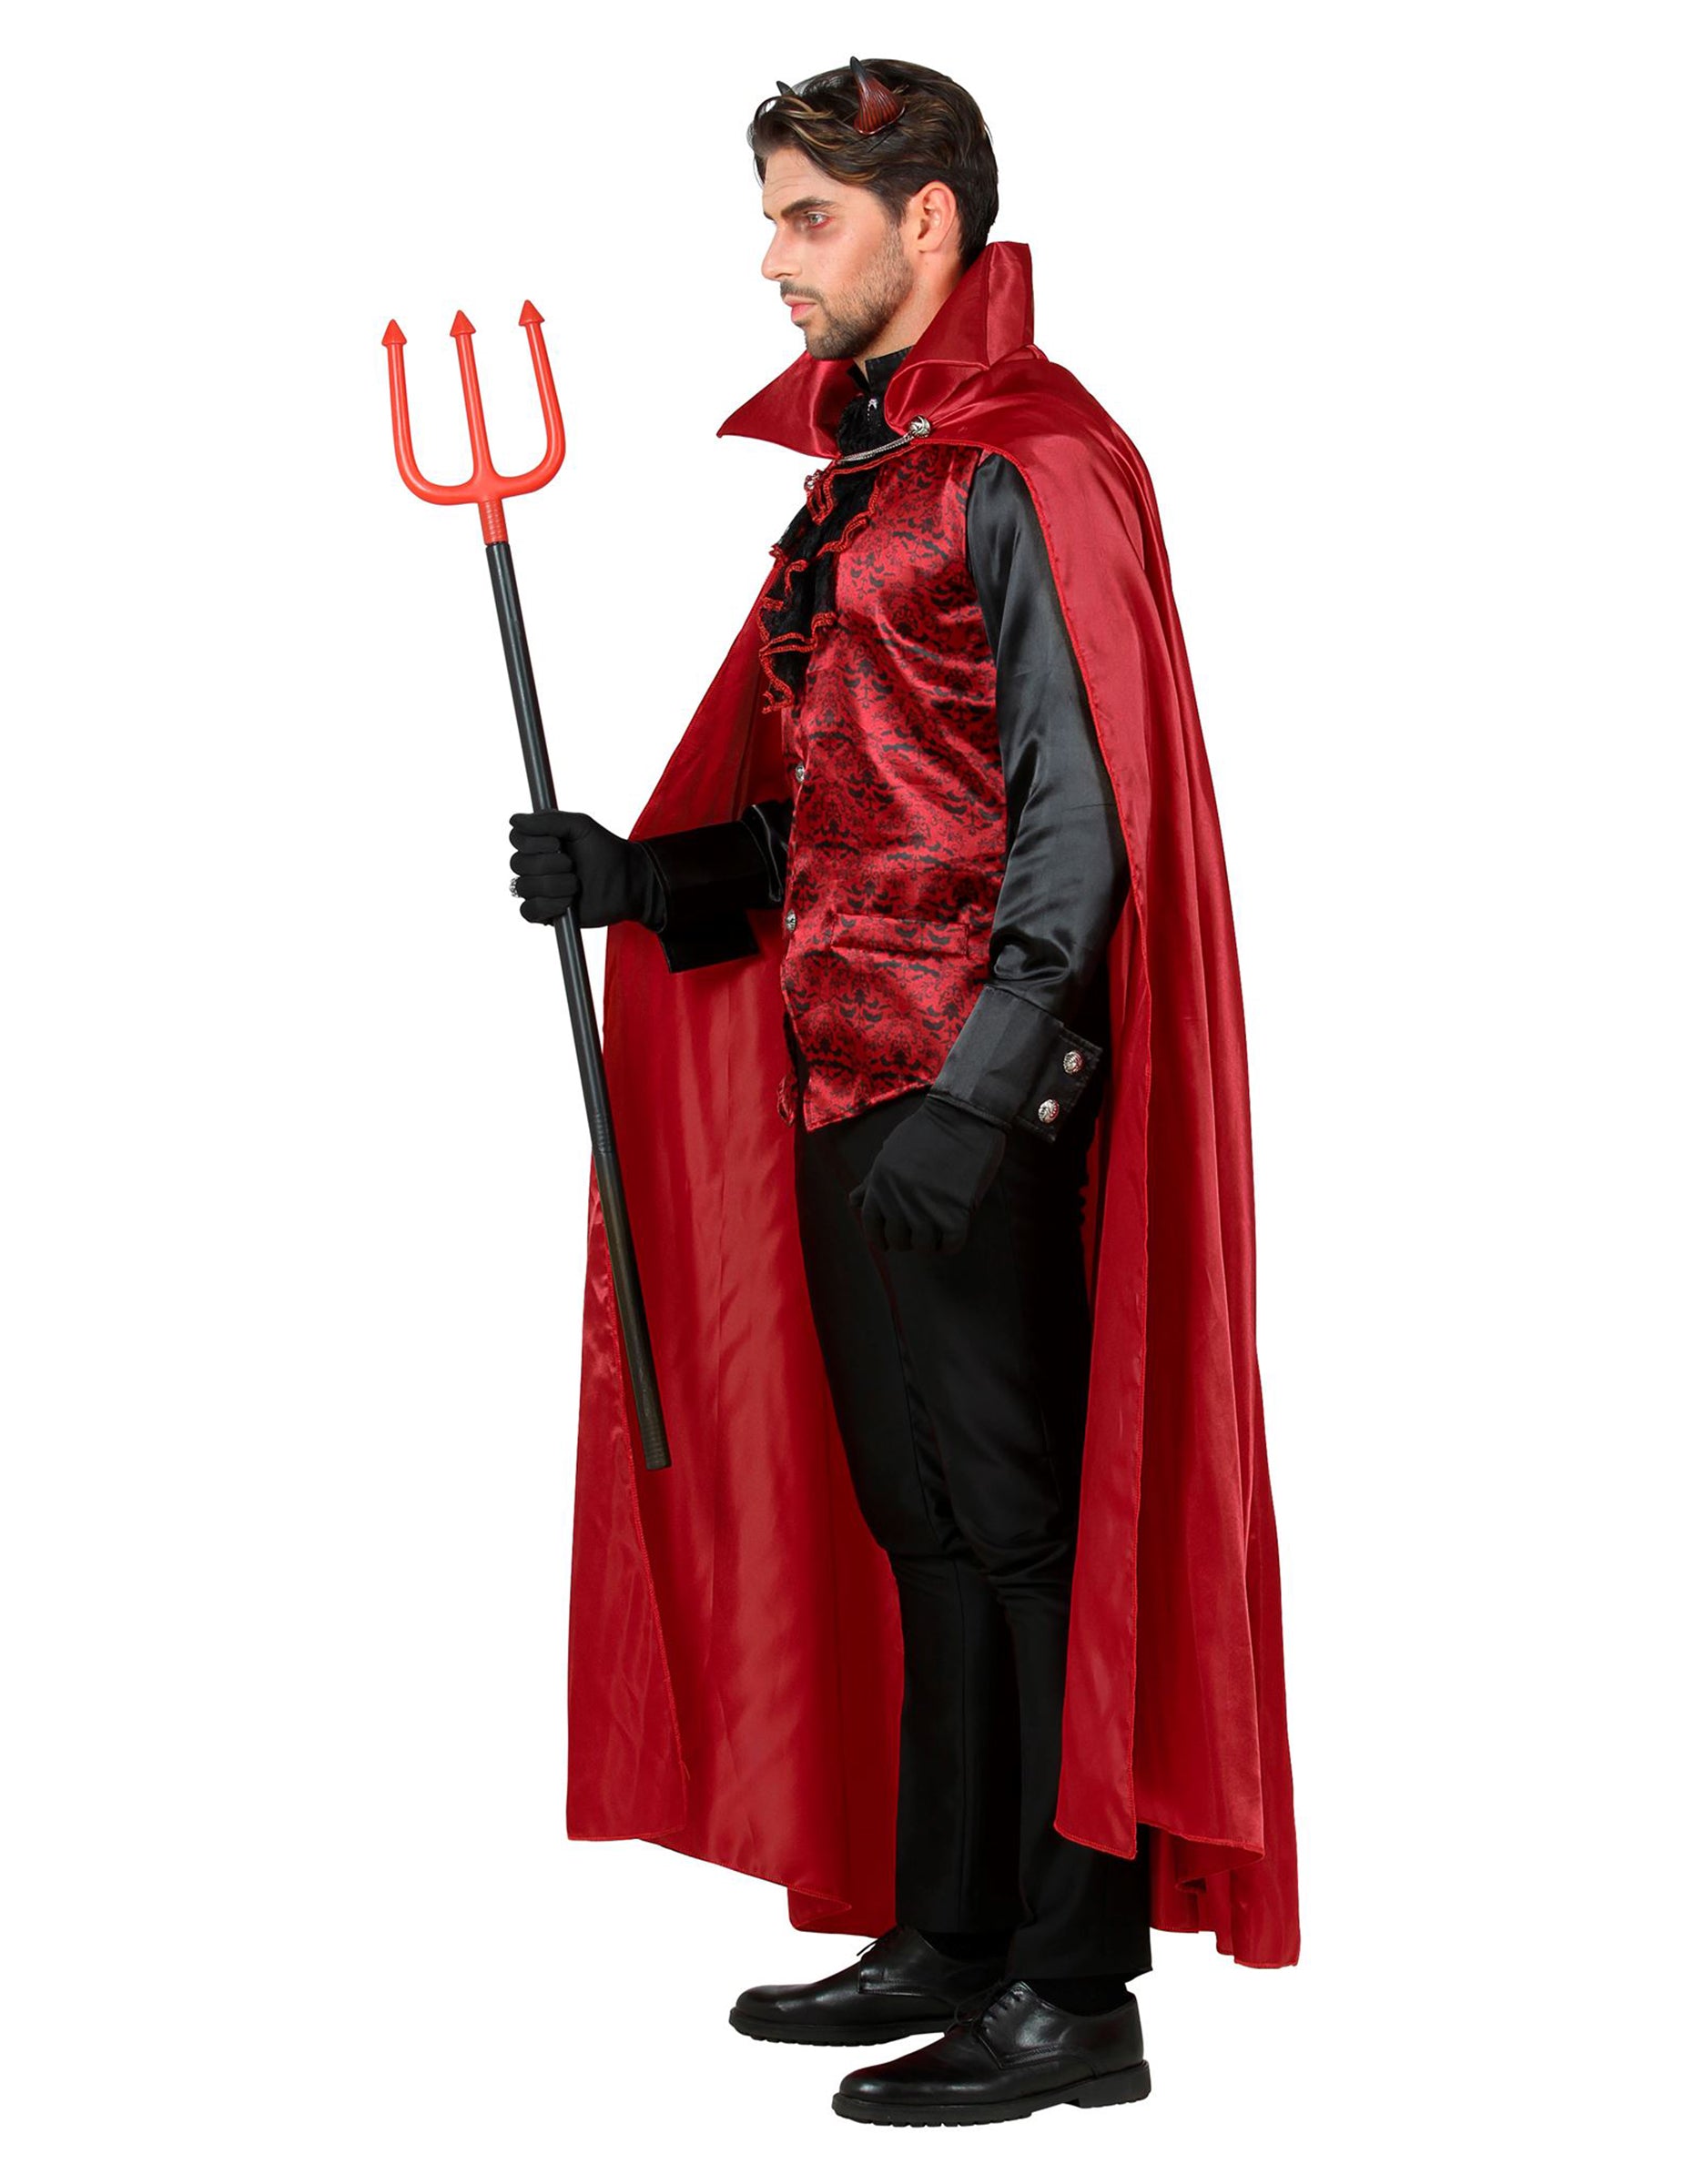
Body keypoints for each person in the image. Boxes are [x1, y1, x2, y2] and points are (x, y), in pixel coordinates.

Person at [509, 58, 1298, 2128]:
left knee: (1025, 1535)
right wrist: (648, 882)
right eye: (772, 215)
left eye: (808, 218)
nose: (771, 260)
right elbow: (864, 814)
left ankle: (1076, 1994)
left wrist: (982, 1094)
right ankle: (951, 1934)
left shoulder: (1034, 464)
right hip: (845, 1078)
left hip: (974, 1100)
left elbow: (1082, 821)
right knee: (922, 1526)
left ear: (925, 219)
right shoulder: (874, 479)